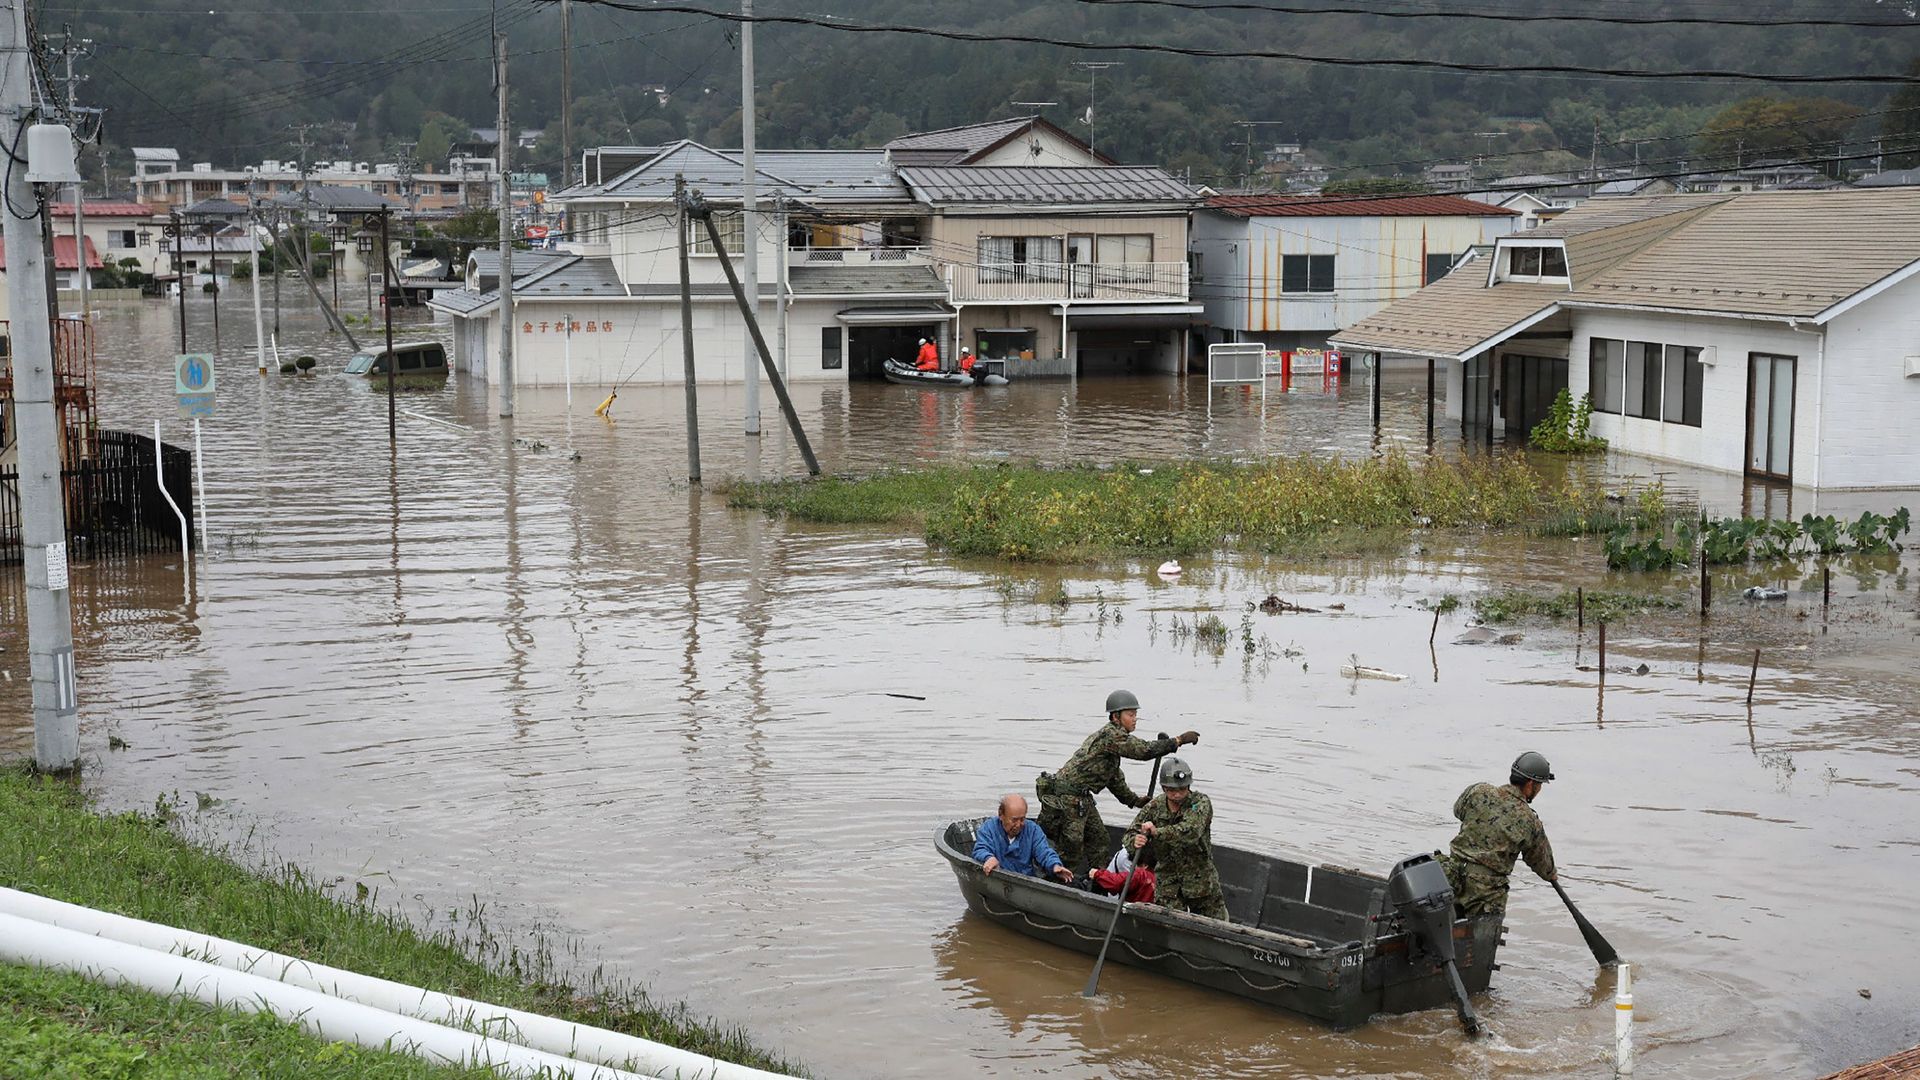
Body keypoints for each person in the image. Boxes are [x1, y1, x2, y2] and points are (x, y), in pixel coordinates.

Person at [1035, 690, 1198, 877]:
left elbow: (1114, 780)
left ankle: (1101, 884)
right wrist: (1178, 741)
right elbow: (1143, 751)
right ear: (1115, 717)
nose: (1135, 719)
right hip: (1068, 798)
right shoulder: (1111, 735)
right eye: (1130, 714)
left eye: (1135, 714)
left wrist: (1135, 801)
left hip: (1081, 798)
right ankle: (1057, 884)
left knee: (1100, 841)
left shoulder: (1113, 748)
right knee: (1072, 849)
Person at [1440, 751, 1558, 919]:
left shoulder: (1479, 791)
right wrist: (1552, 874)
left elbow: (1458, 811)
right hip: (1486, 892)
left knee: (1448, 932)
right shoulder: (1529, 820)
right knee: (1480, 942)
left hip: (1450, 876)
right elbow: (1540, 861)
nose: (1539, 790)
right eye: (1539, 785)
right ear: (1530, 784)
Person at [1124, 756, 1227, 920]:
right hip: (1168, 881)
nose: (1178, 794)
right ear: (1164, 788)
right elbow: (1130, 834)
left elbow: (1191, 831)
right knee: (1170, 925)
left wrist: (1157, 832)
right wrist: (1135, 841)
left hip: (1200, 878)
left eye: (1182, 789)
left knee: (1217, 925)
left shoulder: (1200, 803)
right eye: (1172, 790)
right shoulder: (1155, 807)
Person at [973, 794, 1074, 883]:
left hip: (1025, 881)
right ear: (1001, 815)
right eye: (1014, 820)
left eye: (1022, 819)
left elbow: (1044, 851)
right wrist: (988, 858)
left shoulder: (1032, 830)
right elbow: (980, 848)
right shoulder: (989, 828)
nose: (1018, 825)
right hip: (999, 879)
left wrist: (1055, 865)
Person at [1089, 841, 1156, 903]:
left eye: (1134, 864)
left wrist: (1097, 874)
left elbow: (1118, 882)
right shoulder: (1156, 877)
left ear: (1145, 865)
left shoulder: (1140, 875)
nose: (1132, 866)